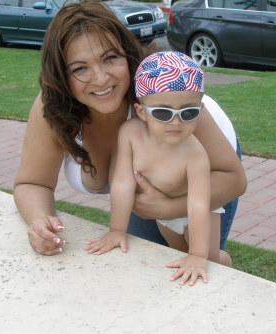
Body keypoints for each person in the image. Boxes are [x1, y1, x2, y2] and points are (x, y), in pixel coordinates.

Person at [13, 1, 246, 257]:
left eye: (110, 58)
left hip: (206, 175)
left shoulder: (170, 105)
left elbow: (233, 180)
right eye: (79, 68)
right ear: (61, 76)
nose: (101, 79)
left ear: (127, 54)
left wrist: (168, 209)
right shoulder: (53, 109)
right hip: (142, 197)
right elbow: (33, 183)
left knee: (203, 263)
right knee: (150, 260)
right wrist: (40, 221)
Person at [85, 51, 232, 286]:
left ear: (200, 110)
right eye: (163, 112)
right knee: (177, 254)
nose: (176, 122)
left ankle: (229, 269)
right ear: (141, 111)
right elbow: (123, 183)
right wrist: (116, 230)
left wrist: (197, 254)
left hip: (201, 212)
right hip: (164, 212)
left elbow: (198, 205)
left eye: (188, 112)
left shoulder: (195, 153)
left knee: (209, 261)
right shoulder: (131, 134)